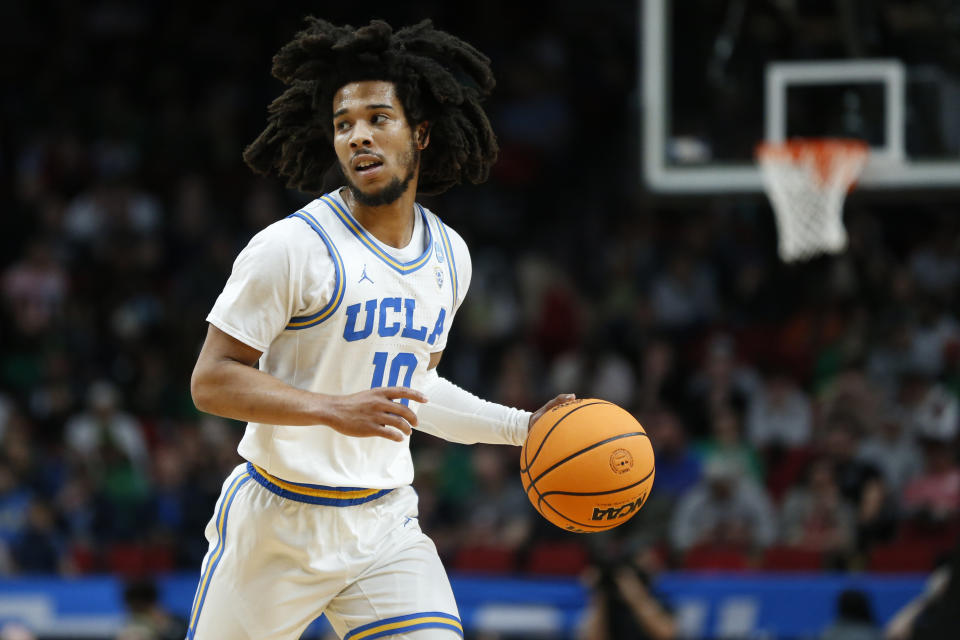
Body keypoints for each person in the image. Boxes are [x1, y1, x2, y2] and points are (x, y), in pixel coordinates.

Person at [187, 18, 573, 640]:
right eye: (344, 125)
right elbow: (211, 382)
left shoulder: (450, 256)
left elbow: (414, 392)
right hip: (277, 526)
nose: (358, 136)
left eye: (377, 118)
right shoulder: (290, 248)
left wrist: (524, 428)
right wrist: (331, 408)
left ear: (420, 133)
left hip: (382, 526)